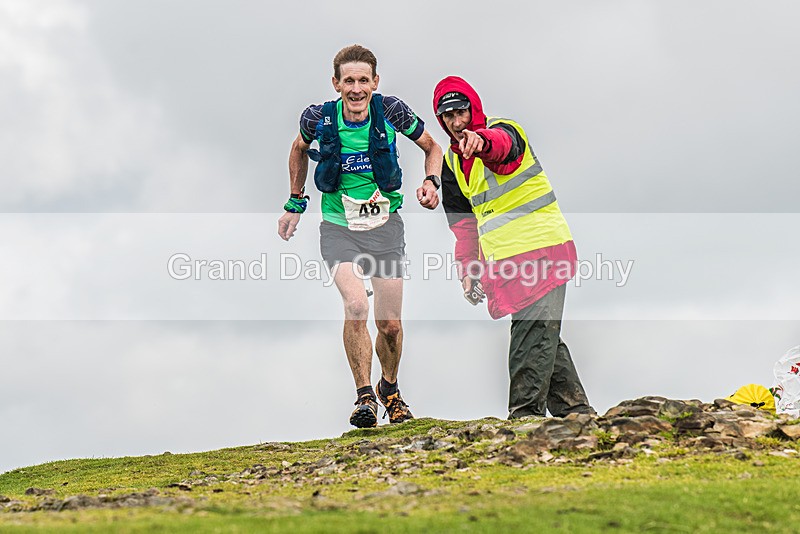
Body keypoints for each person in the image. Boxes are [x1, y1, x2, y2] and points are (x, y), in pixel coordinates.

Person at [278, 45, 442, 428]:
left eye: (363, 81)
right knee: (355, 306)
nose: (356, 89)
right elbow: (298, 150)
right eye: (348, 81)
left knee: (390, 325)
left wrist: (432, 181)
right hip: (339, 228)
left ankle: (390, 389)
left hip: (385, 228)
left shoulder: (392, 111)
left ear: (375, 82)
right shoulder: (317, 117)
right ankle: (364, 397)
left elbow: (432, 147)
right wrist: (295, 201)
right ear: (336, 83)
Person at [432, 76, 595, 419]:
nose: (456, 122)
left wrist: (482, 141)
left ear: (473, 108)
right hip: (505, 261)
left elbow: (503, 149)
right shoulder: (451, 164)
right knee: (540, 332)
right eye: (447, 116)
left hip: (543, 248)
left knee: (531, 331)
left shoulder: (505, 130)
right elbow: (464, 227)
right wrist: (468, 269)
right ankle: (576, 413)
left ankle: (524, 417)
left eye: (461, 112)